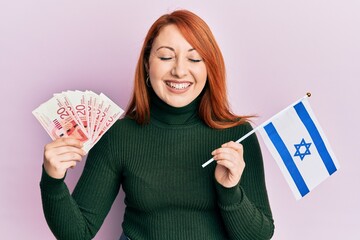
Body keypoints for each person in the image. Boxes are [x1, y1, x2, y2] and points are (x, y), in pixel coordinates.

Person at [40, 9, 275, 240]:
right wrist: (52, 180)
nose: (180, 70)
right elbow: (77, 233)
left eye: (194, 58)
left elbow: (259, 236)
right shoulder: (117, 136)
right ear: (147, 64)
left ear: (209, 67)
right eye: (165, 57)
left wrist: (229, 190)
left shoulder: (237, 135)